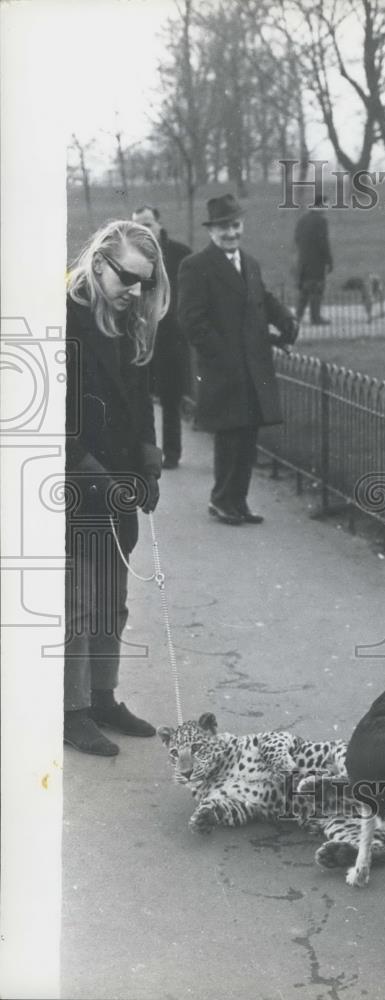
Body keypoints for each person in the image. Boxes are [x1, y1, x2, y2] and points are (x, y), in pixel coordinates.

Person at [64, 220, 170, 756]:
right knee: (80, 599)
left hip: (120, 479)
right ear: (100, 261)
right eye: (128, 277)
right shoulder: (64, 315)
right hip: (76, 479)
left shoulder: (128, 320)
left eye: (145, 282)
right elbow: (52, 412)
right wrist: (89, 472)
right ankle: (72, 709)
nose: (136, 290)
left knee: (112, 595)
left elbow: (139, 393)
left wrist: (148, 458)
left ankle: (103, 697)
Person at [177, 193, 298, 525]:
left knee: (248, 435)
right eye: (223, 228)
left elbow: (264, 299)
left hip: (253, 366)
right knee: (229, 435)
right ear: (211, 231)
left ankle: (238, 501)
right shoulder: (196, 266)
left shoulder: (250, 263)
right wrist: (220, 354)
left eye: (235, 225)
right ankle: (221, 501)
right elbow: (190, 320)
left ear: (241, 225)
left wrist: (285, 320)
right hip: (223, 368)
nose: (231, 233)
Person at [131, 205, 192, 469]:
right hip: (141, 337)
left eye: (148, 224)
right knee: (138, 399)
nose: (143, 230)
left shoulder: (180, 254)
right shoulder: (130, 256)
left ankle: (172, 453)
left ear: (159, 224)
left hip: (171, 339)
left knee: (170, 399)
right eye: (137, 225)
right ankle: (142, 453)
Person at [294, 194, 333, 325]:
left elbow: (297, 238)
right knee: (317, 288)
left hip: (303, 260)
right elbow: (323, 243)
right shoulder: (321, 221)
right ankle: (315, 317)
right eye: (327, 205)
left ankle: (297, 316)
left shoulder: (302, 219)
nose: (327, 208)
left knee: (304, 289)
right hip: (317, 261)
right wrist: (329, 260)